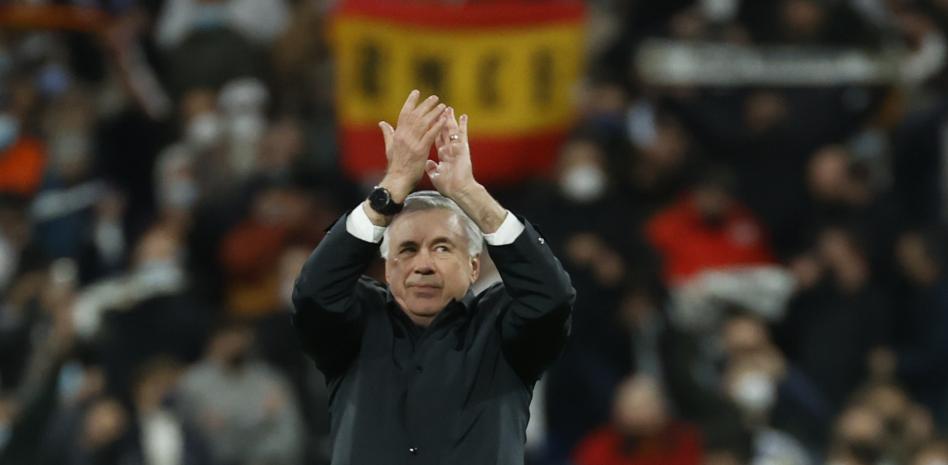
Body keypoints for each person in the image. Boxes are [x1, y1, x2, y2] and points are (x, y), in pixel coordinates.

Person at [291, 90, 576, 464]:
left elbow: (551, 298)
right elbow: (313, 293)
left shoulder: (502, 327)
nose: (423, 264)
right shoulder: (356, 323)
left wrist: (470, 193)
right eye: (408, 249)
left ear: (474, 266)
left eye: (442, 248)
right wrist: (393, 185)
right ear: (387, 267)